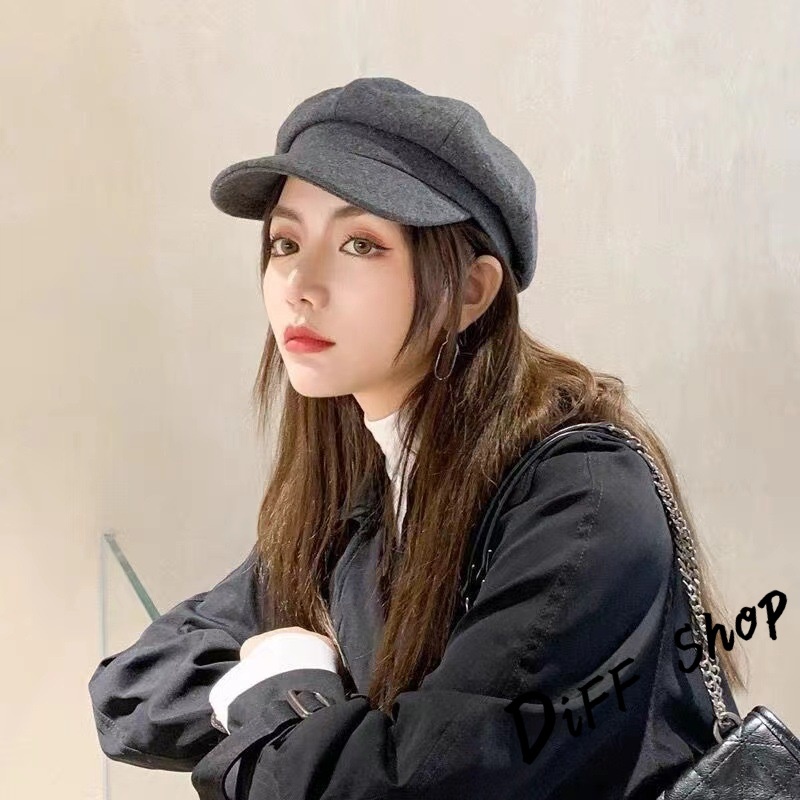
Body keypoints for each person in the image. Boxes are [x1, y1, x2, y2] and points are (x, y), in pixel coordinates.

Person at [88, 76, 745, 799]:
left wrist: (286, 695)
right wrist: (277, 696)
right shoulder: (361, 495)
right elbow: (130, 690)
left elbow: (416, 786)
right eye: (285, 241)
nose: (300, 284)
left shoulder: (581, 498)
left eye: (360, 244)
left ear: (470, 291)